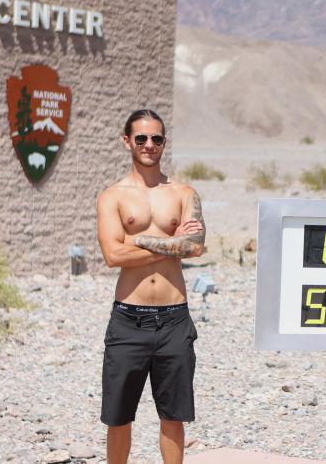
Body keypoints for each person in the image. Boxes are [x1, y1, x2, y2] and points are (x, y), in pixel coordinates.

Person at [96, 109, 205, 464]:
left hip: (174, 320)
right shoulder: (112, 196)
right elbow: (113, 254)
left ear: (164, 143)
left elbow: (195, 246)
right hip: (129, 320)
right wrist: (166, 243)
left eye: (156, 138)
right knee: (118, 418)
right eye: (141, 138)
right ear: (127, 141)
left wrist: (138, 242)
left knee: (173, 417)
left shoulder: (184, 193)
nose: (149, 145)